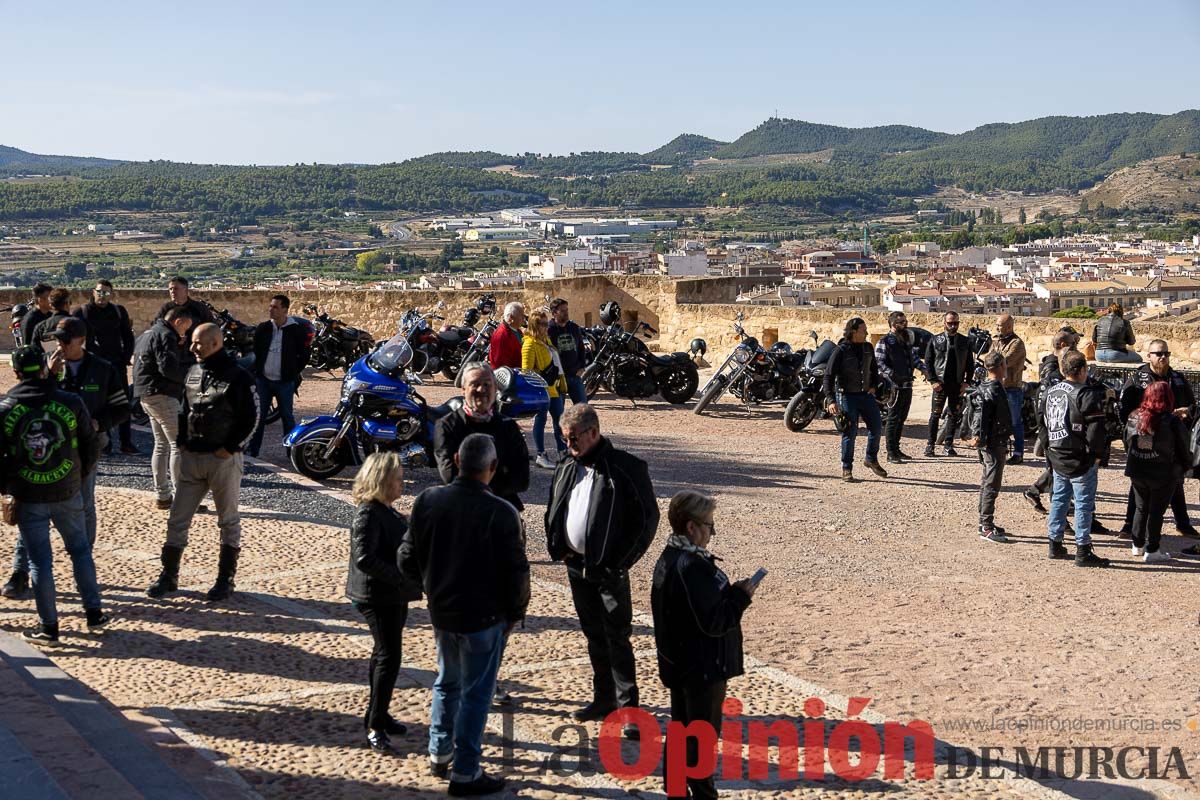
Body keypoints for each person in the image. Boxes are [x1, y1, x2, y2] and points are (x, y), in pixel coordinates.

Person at [399, 433, 529, 796]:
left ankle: (439, 752)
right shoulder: (501, 512)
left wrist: (430, 587)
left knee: (447, 682)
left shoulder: (428, 501)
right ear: (491, 468)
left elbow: (405, 558)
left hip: (444, 613)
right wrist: (515, 614)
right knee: (475, 694)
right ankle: (466, 770)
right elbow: (517, 572)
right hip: (484, 619)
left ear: (456, 460)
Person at [545, 404, 658, 738]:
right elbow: (556, 503)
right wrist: (559, 545)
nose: (569, 445)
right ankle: (603, 699)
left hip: (609, 569)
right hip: (576, 565)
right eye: (565, 439)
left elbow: (647, 520)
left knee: (617, 639)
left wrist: (621, 561)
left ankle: (628, 710)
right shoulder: (567, 464)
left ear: (593, 432)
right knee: (593, 635)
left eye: (574, 439)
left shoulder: (625, 467)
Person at [1, 318, 130, 601]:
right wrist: (49, 375)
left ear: (80, 341)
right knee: (32, 513)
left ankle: (85, 568)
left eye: (64, 340)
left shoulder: (103, 369)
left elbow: (122, 408)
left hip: (84, 453)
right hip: (43, 456)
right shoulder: (45, 368)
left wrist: (99, 423)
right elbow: (31, 398)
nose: (58, 344)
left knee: (85, 509)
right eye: (57, 339)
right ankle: (19, 573)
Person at [651, 490, 755, 800]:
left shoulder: (670, 557)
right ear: (692, 527)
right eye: (709, 525)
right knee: (700, 740)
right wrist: (740, 596)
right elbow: (715, 621)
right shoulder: (690, 565)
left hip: (683, 663)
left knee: (682, 733)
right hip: (701, 668)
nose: (711, 532)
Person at [0, 346, 106, 643]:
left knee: (39, 561)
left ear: (16, 372)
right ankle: (94, 612)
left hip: (29, 494)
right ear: (45, 369)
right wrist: (78, 475)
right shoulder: (70, 401)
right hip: (67, 489)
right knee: (81, 550)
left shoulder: (7, 407)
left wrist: (8, 486)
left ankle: (50, 627)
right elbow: (91, 443)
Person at [146, 323, 259, 602]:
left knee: (228, 520)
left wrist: (230, 448)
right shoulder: (193, 372)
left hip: (223, 460)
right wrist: (182, 443)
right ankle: (168, 576)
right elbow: (184, 410)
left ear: (215, 343)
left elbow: (251, 418)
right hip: (192, 458)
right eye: (192, 342)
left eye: (198, 343)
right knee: (177, 519)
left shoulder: (239, 377)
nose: (192, 347)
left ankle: (225, 580)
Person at [347, 451, 422, 752]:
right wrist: (401, 578)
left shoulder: (385, 510)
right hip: (377, 596)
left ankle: (378, 713)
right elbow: (364, 558)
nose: (402, 484)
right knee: (388, 657)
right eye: (397, 479)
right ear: (382, 481)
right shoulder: (368, 513)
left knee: (383, 656)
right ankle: (375, 724)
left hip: (390, 594)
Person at [1117, 339, 1198, 540]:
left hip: (1170, 440)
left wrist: (1185, 413)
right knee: (1140, 482)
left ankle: (1183, 524)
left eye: (1166, 353)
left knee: (1175, 480)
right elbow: (1124, 411)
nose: (1163, 357)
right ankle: (1129, 525)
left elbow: (1192, 406)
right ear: (1149, 356)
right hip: (1145, 439)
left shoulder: (1177, 378)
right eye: (1158, 353)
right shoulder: (1137, 380)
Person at [434, 362, 529, 510]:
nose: (481, 389)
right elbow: (450, 475)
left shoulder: (507, 427)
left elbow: (521, 478)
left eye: (487, 384)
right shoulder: (447, 426)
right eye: (475, 384)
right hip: (461, 509)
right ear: (464, 389)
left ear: (495, 389)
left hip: (500, 510)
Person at [1044, 350, 1110, 567]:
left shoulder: (1051, 391)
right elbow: (1096, 430)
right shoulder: (1086, 393)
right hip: (1079, 456)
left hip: (1057, 453)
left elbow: (1044, 422)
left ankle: (1055, 542)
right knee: (1083, 503)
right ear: (1082, 370)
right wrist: (1097, 455)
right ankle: (1083, 549)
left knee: (1059, 499)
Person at [132, 307, 194, 509]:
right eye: (186, 327)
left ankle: (163, 495)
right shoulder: (166, 335)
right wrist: (189, 380)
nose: (185, 333)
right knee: (179, 446)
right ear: (178, 321)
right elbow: (167, 368)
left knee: (161, 445)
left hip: (145, 394)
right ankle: (182, 499)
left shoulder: (148, 333)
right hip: (163, 394)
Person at [1123, 382, 1189, 563]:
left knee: (1141, 507)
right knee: (1156, 511)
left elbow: (1126, 441)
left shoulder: (1134, 416)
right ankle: (1152, 549)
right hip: (1162, 471)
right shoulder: (1172, 421)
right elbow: (1184, 447)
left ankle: (1137, 545)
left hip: (1137, 469)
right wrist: (1185, 466)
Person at [74, 280, 138, 454]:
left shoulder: (118, 312)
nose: (103, 296)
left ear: (112, 294)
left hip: (116, 364)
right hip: (94, 367)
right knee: (98, 404)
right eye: (100, 292)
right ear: (93, 292)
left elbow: (128, 337)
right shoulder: (82, 313)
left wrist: (125, 357)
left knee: (122, 403)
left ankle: (126, 442)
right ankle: (105, 442)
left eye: (107, 293)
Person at [824, 317, 886, 482]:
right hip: (847, 396)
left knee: (877, 427)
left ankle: (871, 458)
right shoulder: (841, 350)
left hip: (865, 395)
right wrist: (831, 400)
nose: (866, 332)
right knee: (849, 433)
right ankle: (847, 467)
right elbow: (828, 376)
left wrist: (873, 385)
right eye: (863, 330)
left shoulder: (868, 348)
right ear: (853, 331)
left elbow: (873, 369)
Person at [247, 294, 310, 458]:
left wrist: (292, 371)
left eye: (275, 307)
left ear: (284, 309)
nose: (271, 310)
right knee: (259, 417)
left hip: (284, 381)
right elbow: (256, 351)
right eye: (270, 306)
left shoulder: (296, 330)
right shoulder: (263, 328)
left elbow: (304, 355)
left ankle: (292, 452)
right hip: (264, 380)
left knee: (287, 417)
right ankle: (253, 450)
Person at [1023, 330, 1078, 513]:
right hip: (1054, 427)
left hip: (1058, 429)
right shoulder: (1052, 369)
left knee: (1059, 468)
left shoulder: (1057, 365)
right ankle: (1058, 512)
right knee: (1057, 469)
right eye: (1072, 343)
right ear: (1062, 345)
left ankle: (1037, 492)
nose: (1076, 346)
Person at [968, 352, 1013, 543]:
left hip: (993, 441)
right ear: (1001, 366)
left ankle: (984, 522)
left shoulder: (988, 387)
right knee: (991, 483)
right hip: (994, 443)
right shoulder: (992, 389)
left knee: (988, 480)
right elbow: (981, 414)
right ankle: (986, 525)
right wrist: (978, 436)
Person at [522, 308, 567, 469]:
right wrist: (541, 377)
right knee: (540, 421)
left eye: (546, 323)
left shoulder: (546, 340)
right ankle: (541, 454)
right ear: (534, 325)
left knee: (560, 422)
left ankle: (564, 453)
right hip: (541, 390)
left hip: (553, 388)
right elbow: (526, 372)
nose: (546, 326)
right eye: (542, 324)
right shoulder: (529, 344)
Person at [923, 311, 972, 457]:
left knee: (953, 414)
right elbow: (928, 362)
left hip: (956, 384)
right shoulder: (935, 340)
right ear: (944, 323)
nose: (953, 326)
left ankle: (948, 445)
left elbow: (970, 364)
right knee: (935, 415)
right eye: (950, 323)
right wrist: (932, 381)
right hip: (940, 383)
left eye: (955, 323)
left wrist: (966, 382)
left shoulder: (965, 341)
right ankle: (930, 445)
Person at [874, 311, 915, 464]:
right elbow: (879, 363)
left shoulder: (905, 340)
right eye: (901, 323)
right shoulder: (885, 341)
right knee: (893, 418)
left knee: (902, 418)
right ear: (893, 324)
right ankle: (890, 452)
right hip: (894, 387)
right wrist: (893, 374)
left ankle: (897, 449)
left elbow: (914, 358)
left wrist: (925, 370)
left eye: (905, 321)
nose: (905, 325)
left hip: (907, 385)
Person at [988, 314, 1027, 465]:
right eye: (996, 325)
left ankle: (1018, 452)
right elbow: (989, 360)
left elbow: (1002, 362)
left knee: (1015, 421)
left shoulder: (1017, 343)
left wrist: (994, 360)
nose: (997, 328)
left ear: (1009, 326)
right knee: (997, 421)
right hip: (997, 387)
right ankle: (999, 448)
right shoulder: (996, 341)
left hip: (1012, 388)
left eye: (1000, 325)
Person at [548, 297, 587, 404]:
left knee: (583, 410)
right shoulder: (549, 330)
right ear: (554, 313)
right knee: (559, 413)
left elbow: (581, 348)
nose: (566, 313)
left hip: (575, 376)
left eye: (567, 310)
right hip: (558, 378)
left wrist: (582, 367)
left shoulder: (574, 328)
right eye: (563, 311)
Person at [487, 301, 525, 370]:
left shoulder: (517, 331)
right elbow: (499, 364)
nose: (523, 318)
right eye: (522, 316)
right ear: (511, 317)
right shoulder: (501, 335)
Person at [18, 283, 53, 347]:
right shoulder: (30, 320)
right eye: (50, 298)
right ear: (40, 299)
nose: (53, 300)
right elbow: (27, 345)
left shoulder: (51, 316)